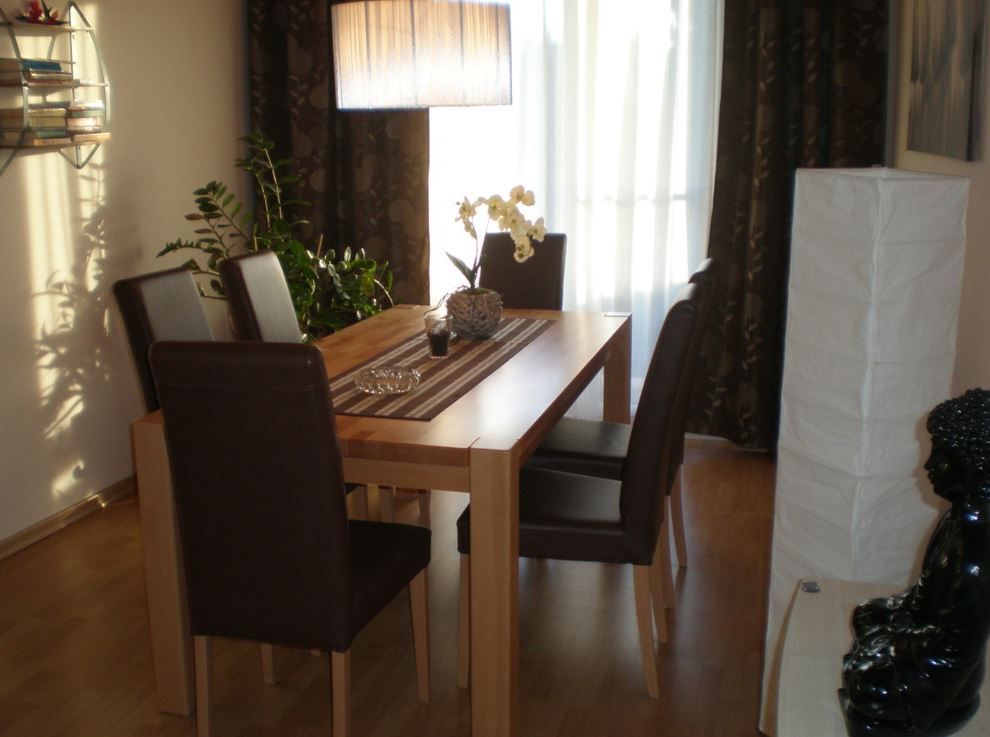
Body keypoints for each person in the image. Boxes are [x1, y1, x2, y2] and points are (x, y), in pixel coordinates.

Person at [840, 389, 990, 737]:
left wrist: (888, 642)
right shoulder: (958, 518)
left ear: (972, 464)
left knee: (869, 690)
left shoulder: (978, 553)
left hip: (939, 681)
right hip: (918, 639)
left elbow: (950, 656)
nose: (928, 465)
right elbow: (923, 599)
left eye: (941, 455)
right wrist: (890, 623)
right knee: (865, 611)